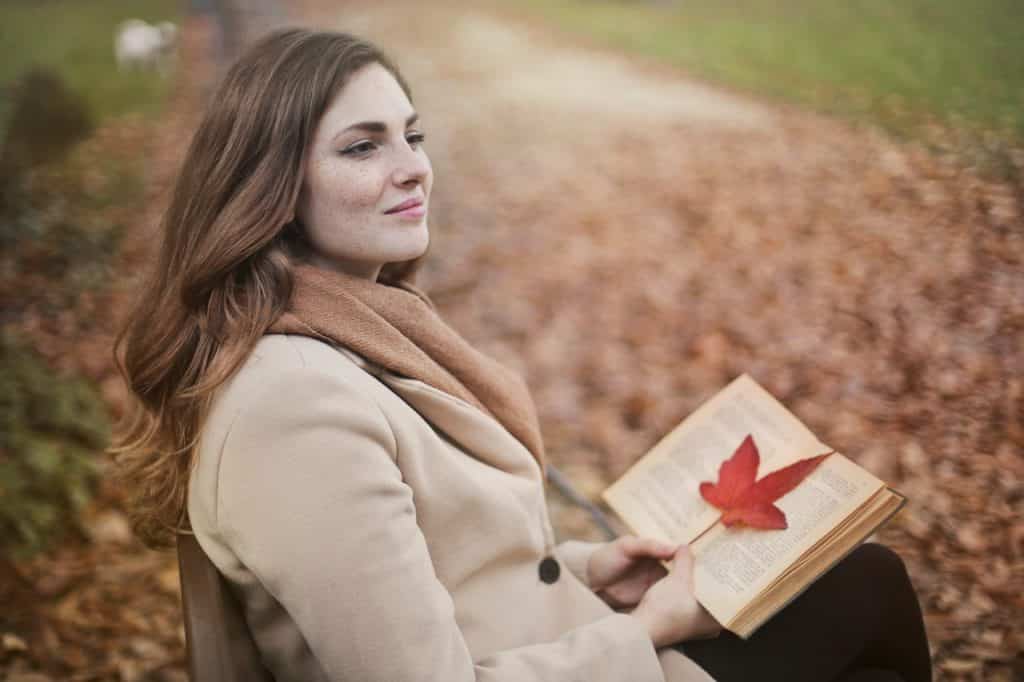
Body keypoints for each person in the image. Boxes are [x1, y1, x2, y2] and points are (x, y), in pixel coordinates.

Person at [111, 28, 933, 682]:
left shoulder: (350, 331)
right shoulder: (290, 408)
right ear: (269, 189)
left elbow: (432, 568)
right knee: (870, 593)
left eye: (412, 135)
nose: (413, 170)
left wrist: (586, 569)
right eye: (363, 147)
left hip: (558, 642)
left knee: (856, 582)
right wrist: (650, 628)